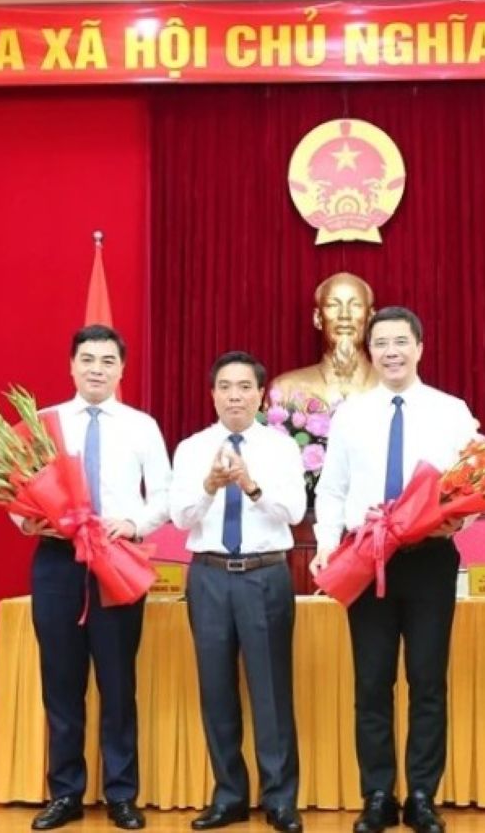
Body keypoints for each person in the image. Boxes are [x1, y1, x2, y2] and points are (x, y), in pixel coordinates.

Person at [311, 306, 478, 833]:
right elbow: (332, 489)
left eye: (401, 341)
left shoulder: (451, 411)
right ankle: (378, 795)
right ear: (371, 351)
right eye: (381, 343)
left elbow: (475, 482)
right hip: (367, 555)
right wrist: (325, 545)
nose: (391, 352)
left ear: (419, 347)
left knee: (428, 680)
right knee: (372, 682)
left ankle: (423, 795)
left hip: (429, 558)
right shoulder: (352, 414)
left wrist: (462, 521)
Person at [25, 324, 172, 832]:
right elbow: (18, 492)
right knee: (61, 682)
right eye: (87, 359)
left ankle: (121, 793)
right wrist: (28, 521)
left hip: (116, 558)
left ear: (121, 369)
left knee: (117, 681)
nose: (96, 369)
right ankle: (65, 792)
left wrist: (133, 523)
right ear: (71, 365)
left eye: (108, 361)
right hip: (57, 560)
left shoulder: (141, 425)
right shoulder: (44, 423)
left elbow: (164, 496)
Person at [171, 351, 307, 833]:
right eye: (225, 387)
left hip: (263, 574)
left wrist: (251, 487)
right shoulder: (192, 448)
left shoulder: (281, 448)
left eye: (245, 387)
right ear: (212, 394)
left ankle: (280, 799)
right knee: (216, 689)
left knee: (271, 690)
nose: (235, 396)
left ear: (261, 395)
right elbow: (181, 517)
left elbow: (293, 512)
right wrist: (209, 487)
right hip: (208, 575)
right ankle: (228, 795)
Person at [268, 272, 379, 406]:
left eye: (355, 305)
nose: (344, 315)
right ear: (318, 318)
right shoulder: (285, 389)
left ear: (370, 318)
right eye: (333, 305)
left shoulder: (395, 387)